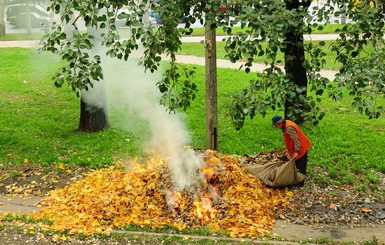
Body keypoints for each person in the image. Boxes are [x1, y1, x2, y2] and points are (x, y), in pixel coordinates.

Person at [272, 115, 311, 187]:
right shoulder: (286, 123)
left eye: (275, 125)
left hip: (300, 148)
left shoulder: (289, 128)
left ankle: (300, 183)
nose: (276, 127)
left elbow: (296, 140)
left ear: (279, 123)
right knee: (297, 165)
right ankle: (297, 179)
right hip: (299, 147)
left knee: (301, 165)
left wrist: (296, 151)